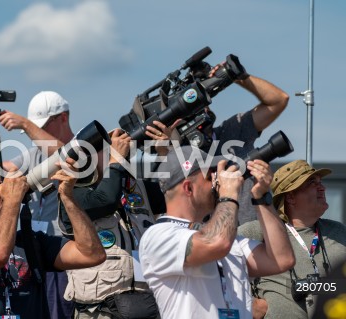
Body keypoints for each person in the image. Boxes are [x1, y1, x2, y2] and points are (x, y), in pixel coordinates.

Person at [138, 145, 295, 319]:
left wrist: (261, 198)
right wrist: (228, 194)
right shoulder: (158, 236)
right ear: (188, 188)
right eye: (210, 175)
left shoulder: (225, 236)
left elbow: (281, 260)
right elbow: (216, 243)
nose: (218, 180)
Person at [0, 159, 106, 319]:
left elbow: (92, 254)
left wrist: (68, 197)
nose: (3, 188)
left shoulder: (31, 242)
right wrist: (12, 199)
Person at [0, 90, 76, 318]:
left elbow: (67, 156)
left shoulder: (83, 147)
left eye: (41, 126)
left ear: (63, 117)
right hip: (36, 251)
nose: (36, 132)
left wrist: (24, 123)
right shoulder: (33, 154)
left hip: (61, 251)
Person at [59, 124, 174, 319]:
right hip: (101, 311)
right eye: (106, 148)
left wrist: (166, 154)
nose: (114, 150)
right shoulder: (71, 194)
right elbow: (107, 200)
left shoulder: (132, 186)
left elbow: (174, 193)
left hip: (147, 303)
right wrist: (116, 160)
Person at [238, 160, 346, 319]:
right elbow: (220, 270)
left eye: (320, 182)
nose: (322, 187)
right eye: (311, 183)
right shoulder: (259, 231)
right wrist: (252, 305)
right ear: (290, 197)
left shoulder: (339, 231)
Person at [201, 65, 289, 225]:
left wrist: (238, 77)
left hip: (253, 240)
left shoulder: (231, 130)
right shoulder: (175, 155)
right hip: (208, 243)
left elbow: (278, 100)